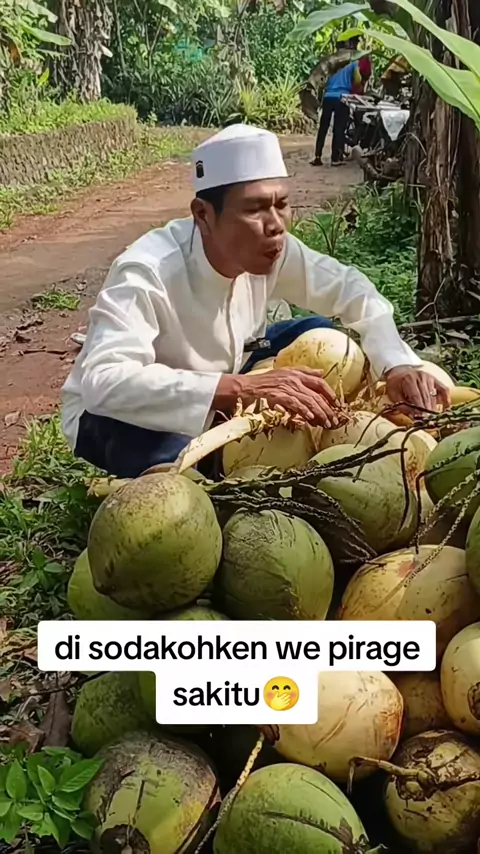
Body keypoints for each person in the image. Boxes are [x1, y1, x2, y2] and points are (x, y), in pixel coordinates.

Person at [61, 124, 450, 479]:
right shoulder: (147, 270)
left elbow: (351, 290)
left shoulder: (274, 249)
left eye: (282, 204)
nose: (276, 224)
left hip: (231, 373)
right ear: (203, 215)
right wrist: (241, 389)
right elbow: (104, 381)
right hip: (120, 413)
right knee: (193, 467)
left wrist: (397, 363)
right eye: (255, 208)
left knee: (318, 332)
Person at [311, 53, 372, 167]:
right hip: (342, 98)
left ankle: (317, 156)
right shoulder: (353, 64)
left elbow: (322, 82)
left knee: (323, 128)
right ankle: (335, 159)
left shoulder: (332, 65)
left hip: (328, 97)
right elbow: (357, 80)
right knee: (339, 129)